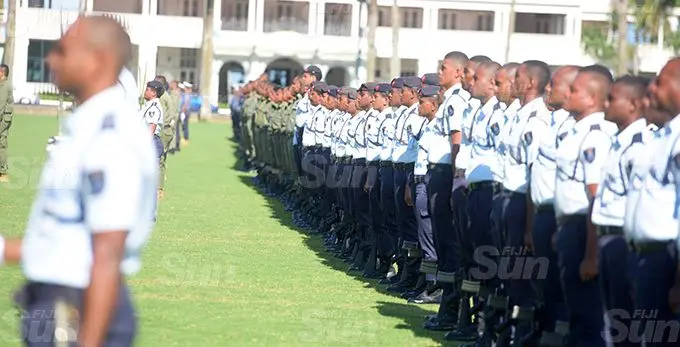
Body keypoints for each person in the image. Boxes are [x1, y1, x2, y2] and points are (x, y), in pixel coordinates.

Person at [0, 15, 157, 347]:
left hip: (75, 309)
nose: (50, 59)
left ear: (99, 60)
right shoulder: (88, 128)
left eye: (62, 50)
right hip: (58, 300)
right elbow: (66, 242)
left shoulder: (109, 138)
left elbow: (108, 251)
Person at [555, 64, 617, 347]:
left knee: (588, 312)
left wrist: (591, 255)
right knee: (576, 309)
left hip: (584, 230)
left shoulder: (594, 135)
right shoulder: (576, 130)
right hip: (571, 226)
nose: (566, 93)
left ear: (592, 98)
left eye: (574, 90)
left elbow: (596, 198)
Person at [591, 75, 649, 347]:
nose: (605, 103)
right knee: (610, 319)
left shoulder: (639, 145)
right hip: (607, 238)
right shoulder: (619, 140)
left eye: (612, 99)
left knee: (623, 321)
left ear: (633, 104)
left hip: (621, 240)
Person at [628, 58, 680, 347]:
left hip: (667, 259)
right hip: (648, 256)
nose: (652, 87)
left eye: (659, 81)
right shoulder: (667, 134)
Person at [529, 65, 579, 334]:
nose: (547, 89)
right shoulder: (557, 120)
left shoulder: (580, 128)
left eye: (554, 84)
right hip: (542, 212)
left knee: (559, 287)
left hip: (560, 217)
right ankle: (543, 334)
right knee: (543, 283)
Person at [0, 63, 13, 183]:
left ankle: (2, 172)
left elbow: (1, 105)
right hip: (4, 119)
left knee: (1, 144)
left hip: (2, 121)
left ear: (2, 73)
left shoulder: (5, 86)